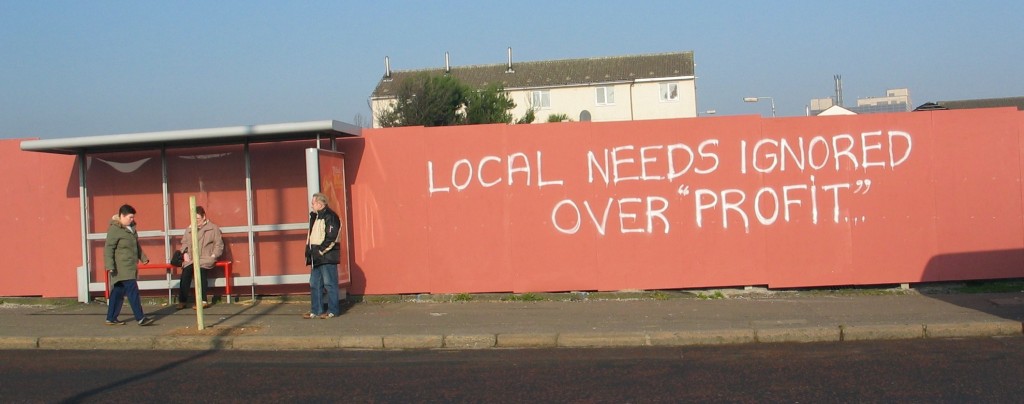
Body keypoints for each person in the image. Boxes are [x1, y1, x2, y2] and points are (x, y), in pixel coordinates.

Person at [104, 204, 155, 326]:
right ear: (122, 216)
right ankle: (140, 318)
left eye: (133, 217)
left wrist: (143, 258)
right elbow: (108, 248)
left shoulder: (131, 229)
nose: (132, 219)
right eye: (130, 217)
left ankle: (111, 318)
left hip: (130, 266)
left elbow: (136, 246)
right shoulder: (115, 229)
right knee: (133, 291)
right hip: (121, 267)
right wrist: (109, 265)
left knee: (117, 292)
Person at [176, 206, 224, 310]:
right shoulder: (189, 229)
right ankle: (182, 300)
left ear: (204, 217)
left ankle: (203, 300)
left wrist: (213, 255)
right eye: (194, 219)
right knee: (186, 273)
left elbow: (218, 244)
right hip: (192, 259)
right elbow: (184, 243)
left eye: (197, 219)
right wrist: (185, 254)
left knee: (201, 273)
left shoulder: (213, 228)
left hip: (206, 258)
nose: (195, 221)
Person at [304, 192, 342, 319]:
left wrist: (320, 251)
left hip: (327, 256)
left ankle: (333, 311)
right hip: (316, 256)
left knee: (330, 284)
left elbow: (331, 237)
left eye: (313, 203)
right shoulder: (315, 217)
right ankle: (316, 310)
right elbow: (312, 236)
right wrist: (310, 251)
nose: (311, 205)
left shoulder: (330, 216)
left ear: (320, 203)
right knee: (315, 284)